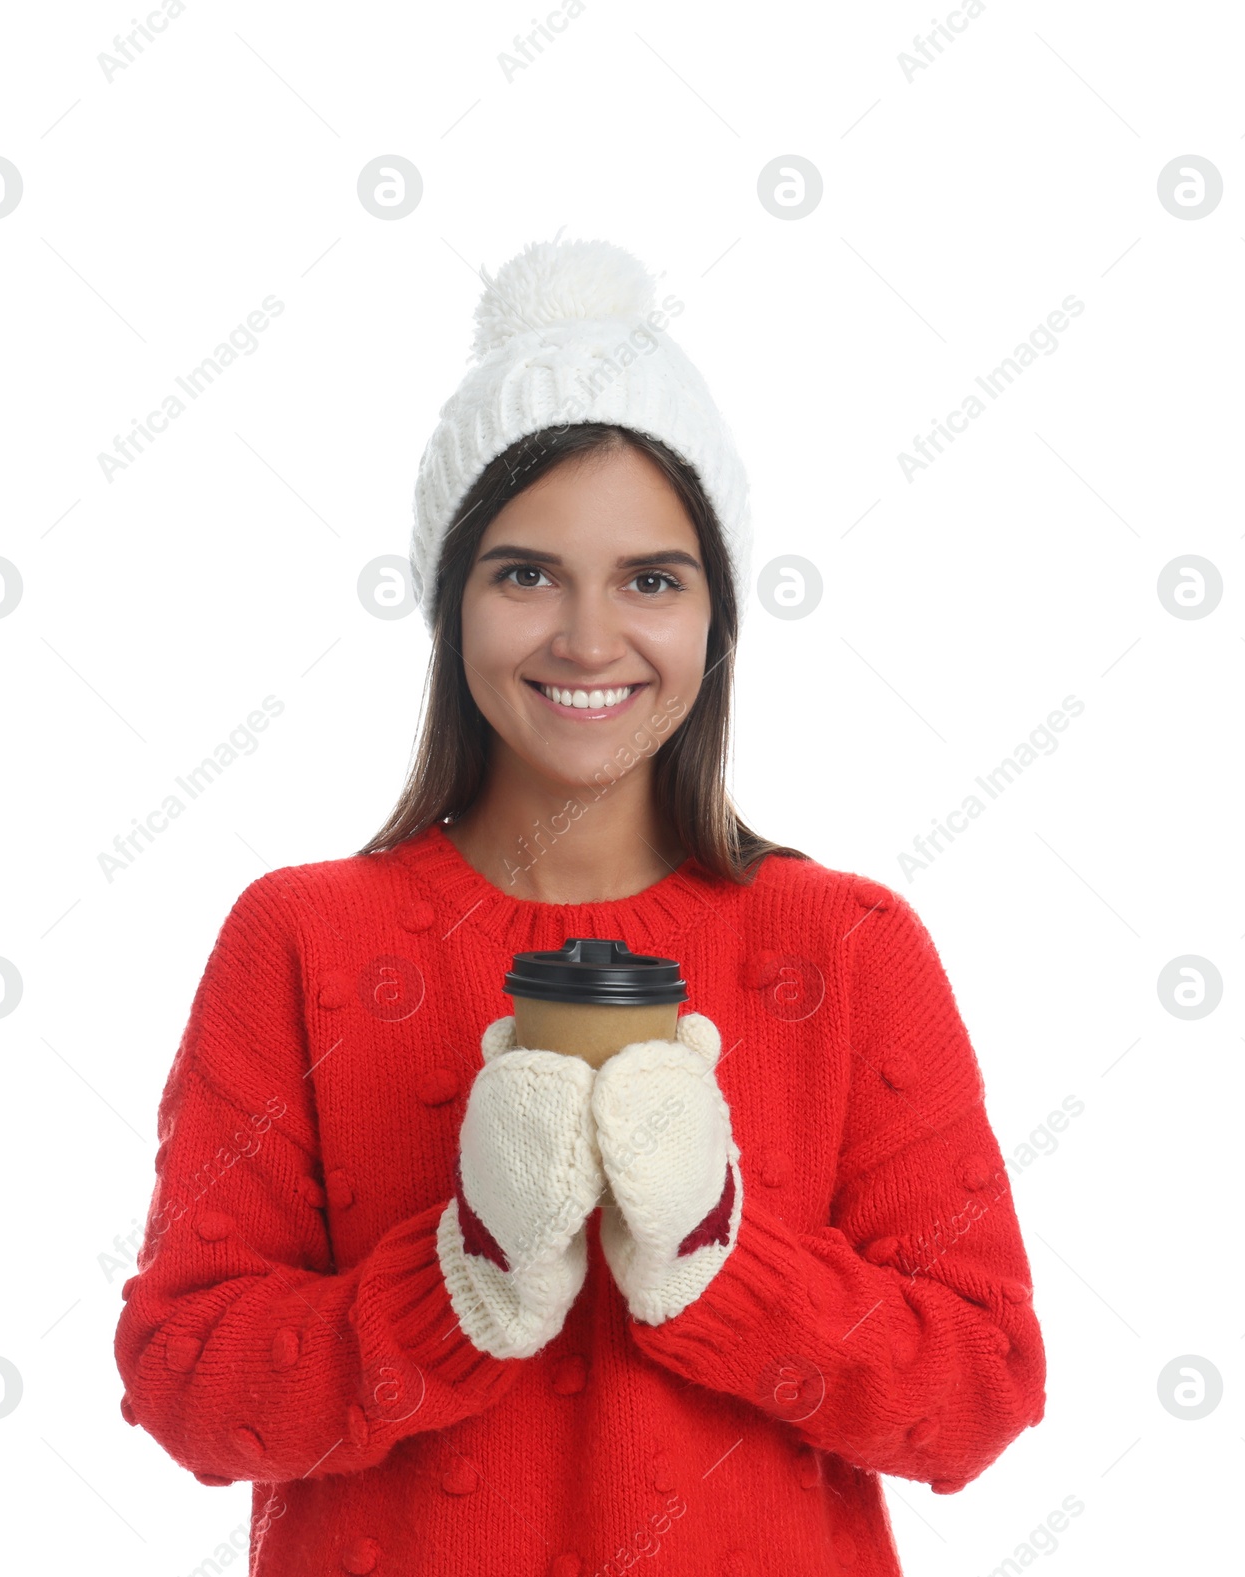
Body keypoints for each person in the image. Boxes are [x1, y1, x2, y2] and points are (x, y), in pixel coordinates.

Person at [113, 235, 1047, 1577]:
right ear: (452, 604)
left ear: (717, 617)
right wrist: (460, 1275)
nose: (590, 638)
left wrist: (723, 1250)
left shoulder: (846, 944)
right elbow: (186, 1379)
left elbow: (983, 1388)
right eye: (526, 572)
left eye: (652, 579)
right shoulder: (302, 937)